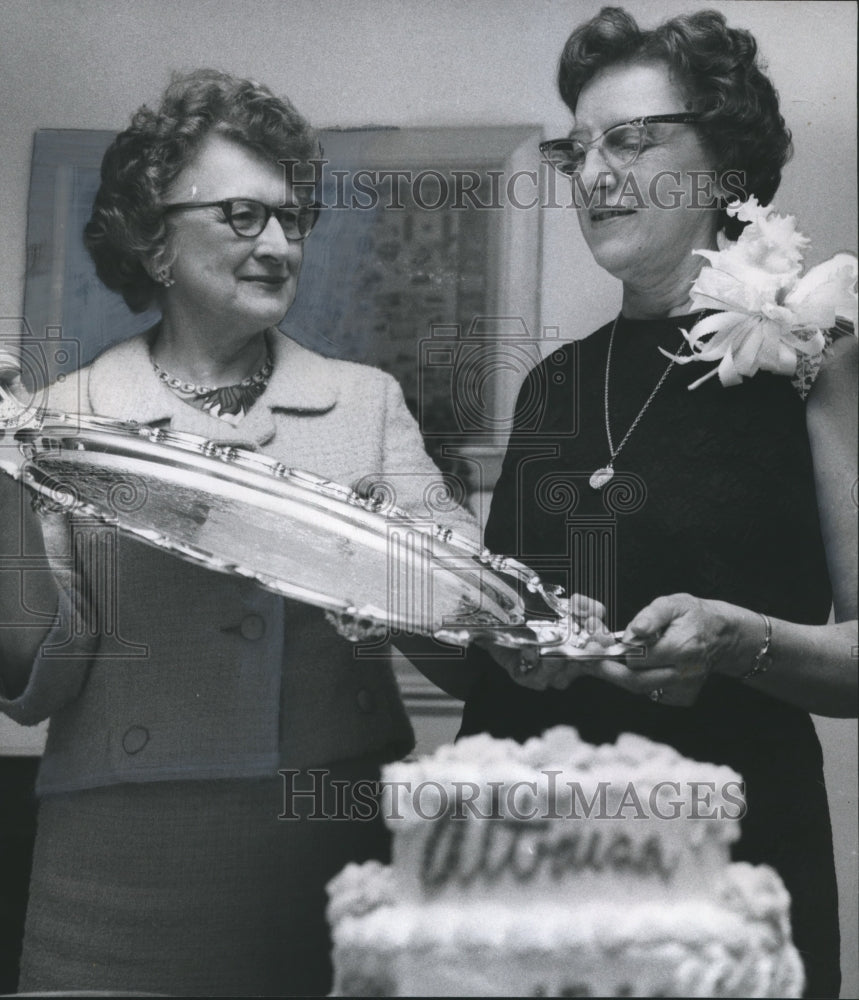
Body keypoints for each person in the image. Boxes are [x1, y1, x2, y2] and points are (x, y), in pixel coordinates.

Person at [0, 69, 477, 996]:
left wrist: (399, 585)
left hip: (332, 862)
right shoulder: (64, 418)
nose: (279, 245)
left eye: (292, 219)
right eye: (241, 216)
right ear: (154, 241)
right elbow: (36, 679)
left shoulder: (366, 405)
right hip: (117, 879)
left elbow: (462, 619)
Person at [458, 9, 857, 999]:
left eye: (632, 139)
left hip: (733, 867)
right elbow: (501, 634)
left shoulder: (817, 361)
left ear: (727, 167)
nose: (594, 175)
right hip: (540, 871)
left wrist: (732, 637)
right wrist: (516, 638)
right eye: (576, 148)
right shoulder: (551, 384)